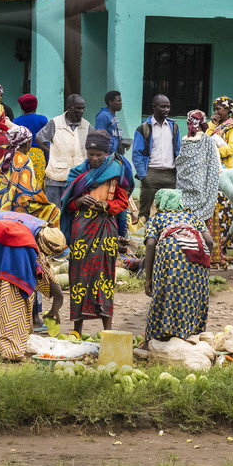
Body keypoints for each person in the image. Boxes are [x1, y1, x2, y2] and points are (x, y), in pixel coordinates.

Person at [64, 130, 132, 336]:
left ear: (106, 153)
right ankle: (77, 328)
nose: (94, 158)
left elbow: (123, 202)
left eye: (99, 155)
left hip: (105, 228)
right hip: (82, 228)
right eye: (90, 154)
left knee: (105, 275)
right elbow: (66, 203)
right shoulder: (76, 173)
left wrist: (105, 205)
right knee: (78, 275)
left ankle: (107, 329)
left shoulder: (114, 172)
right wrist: (79, 201)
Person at [142, 187, 213, 343]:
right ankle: (191, 337)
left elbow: (150, 243)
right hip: (197, 254)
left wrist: (148, 278)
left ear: (160, 203)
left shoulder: (157, 217)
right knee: (193, 296)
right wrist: (207, 266)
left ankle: (155, 339)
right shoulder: (192, 216)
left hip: (170, 253)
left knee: (163, 294)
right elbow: (209, 241)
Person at [0, 217, 51, 361]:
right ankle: (13, 353)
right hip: (18, 279)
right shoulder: (28, 237)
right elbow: (31, 262)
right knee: (14, 315)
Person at [0, 124, 55, 223]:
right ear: (27, 143)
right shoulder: (25, 161)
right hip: (19, 208)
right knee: (54, 212)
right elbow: (30, 191)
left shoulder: (3, 159)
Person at [131, 94, 182, 220]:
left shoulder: (174, 127)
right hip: (151, 174)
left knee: (171, 213)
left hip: (170, 175)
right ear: (154, 107)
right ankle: (145, 238)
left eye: (168, 107)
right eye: (162, 106)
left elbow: (178, 151)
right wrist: (144, 176)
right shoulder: (143, 128)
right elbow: (136, 153)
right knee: (144, 214)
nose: (166, 110)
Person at [37, 95, 91, 204]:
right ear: (69, 107)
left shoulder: (86, 125)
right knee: (55, 213)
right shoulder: (55, 123)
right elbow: (39, 139)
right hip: (56, 178)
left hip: (78, 178)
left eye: (83, 108)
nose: (81, 111)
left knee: (74, 212)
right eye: (77, 108)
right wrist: (52, 151)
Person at [175, 111, 223, 221]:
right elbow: (215, 167)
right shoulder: (208, 141)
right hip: (202, 188)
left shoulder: (184, 140)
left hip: (183, 186)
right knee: (199, 218)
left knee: (183, 215)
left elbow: (180, 162)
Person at [209, 96, 233, 170]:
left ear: (227, 110)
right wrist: (212, 125)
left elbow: (232, 149)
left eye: (218, 109)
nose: (215, 112)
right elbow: (204, 139)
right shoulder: (212, 124)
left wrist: (212, 152)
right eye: (214, 109)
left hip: (225, 167)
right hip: (210, 164)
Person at [94, 90, 127, 157]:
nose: (121, 103)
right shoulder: (103, 116)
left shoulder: (113, 116)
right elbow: (99, 137)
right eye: (118, 101)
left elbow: (113, 135)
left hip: (116, 155)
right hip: (107, 156)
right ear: (111, 102)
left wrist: (123, 143)